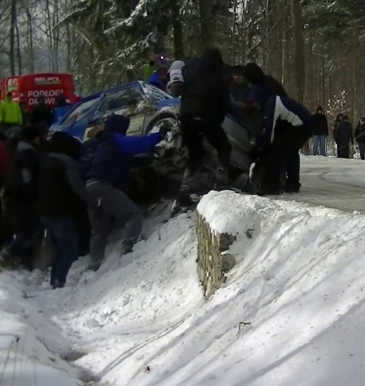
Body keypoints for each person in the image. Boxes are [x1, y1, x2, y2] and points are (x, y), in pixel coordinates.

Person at [86, 114, 168, 271]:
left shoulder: (104, 144)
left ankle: (94, 265)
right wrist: (160, 134)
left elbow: (122, 160)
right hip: (103, 187)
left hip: (90, 188)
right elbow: (140, 143)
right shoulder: (116, 139)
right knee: (133, 214)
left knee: (98, 229)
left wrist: (145, 160)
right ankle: (129, 245)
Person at [175, 47, 237, 208]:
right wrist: (216, 120)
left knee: (195, 154)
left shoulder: (190, 71)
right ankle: (221, 182)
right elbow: (224, 104)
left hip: (186, 118)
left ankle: (184, 188)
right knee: (223, 147)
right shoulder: (219, 77)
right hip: (207, 118)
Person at [38, 132, 101, 288]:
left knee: (60, 246)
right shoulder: (67, 162)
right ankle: (59, 281)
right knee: (70, 248)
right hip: (61, 211)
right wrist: (95, 202)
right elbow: (77, 187)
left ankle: (55, 280)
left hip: (44, 210)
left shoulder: (46, 159)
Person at [247, 85, 313, 195]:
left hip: (301, 127)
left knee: (277, 153)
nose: (254, 105)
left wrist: (259, 147)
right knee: (290, 153)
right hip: (303, 125)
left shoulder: (271, 105)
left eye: (254, 102)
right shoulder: (272, 101)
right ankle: (292, 184)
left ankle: (271, 187)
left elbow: (269, 132)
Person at [0, 125, 44, 269]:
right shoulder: (28, 154)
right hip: (19, 196)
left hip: (12, 194)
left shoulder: (19, 148)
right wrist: (32, 196)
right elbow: (27, 178)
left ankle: (17, 256)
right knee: (29, 229)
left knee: (21, 227)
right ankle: (9, 254)